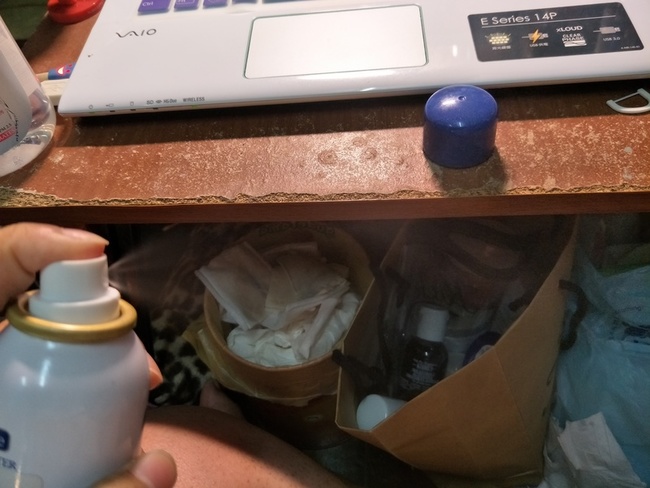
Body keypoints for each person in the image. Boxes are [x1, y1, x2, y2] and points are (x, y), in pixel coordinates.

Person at [0, 223, 347, 488]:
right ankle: (225, 426)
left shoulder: (13, 350)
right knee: (212, 434)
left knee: (201, 427)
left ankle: (222, 424)